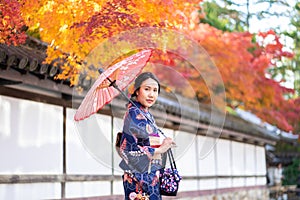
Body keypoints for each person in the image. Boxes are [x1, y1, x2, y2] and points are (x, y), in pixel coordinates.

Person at [118, 72, 174, 200]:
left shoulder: (146, 114)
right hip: (138, 177)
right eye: (147, 89)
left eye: (155, 90)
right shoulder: (134, 113)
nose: (151, 94)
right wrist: (160, 149)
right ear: (137, 91)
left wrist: (164, 143)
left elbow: (146, 141)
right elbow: (128, 148)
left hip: (150, 174)